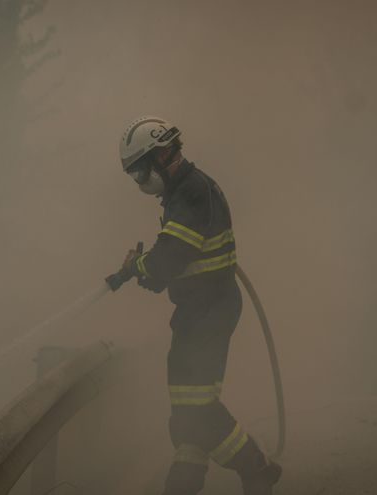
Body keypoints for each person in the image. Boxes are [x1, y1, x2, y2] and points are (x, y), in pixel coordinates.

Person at [112, 116, 282, 495]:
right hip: (200, 310)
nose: (140, 182)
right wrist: (151, 272)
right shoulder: (186, 189)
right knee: (188, 407)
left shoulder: (190, 191)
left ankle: (256, 467)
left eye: (139, 172)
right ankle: (184, 481)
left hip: (208, 311)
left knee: (197, 409)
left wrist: (138, 267)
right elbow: (180, 259)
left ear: (159, 158)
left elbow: (170, 256)